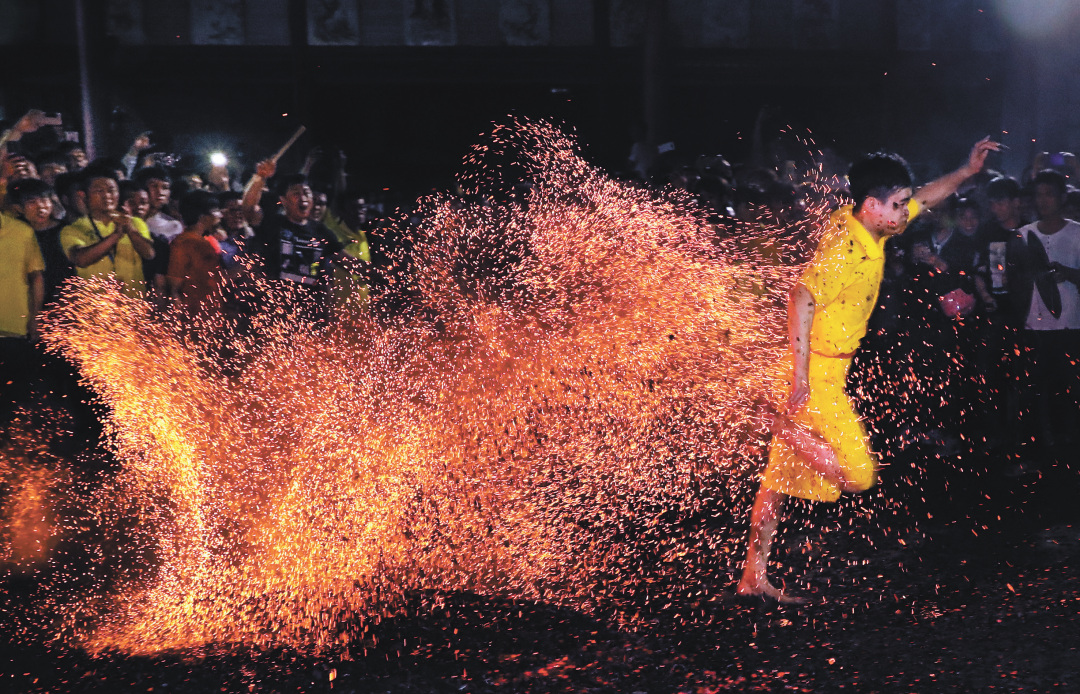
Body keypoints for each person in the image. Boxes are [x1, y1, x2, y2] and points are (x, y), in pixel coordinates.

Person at [736, 138, 999, 603]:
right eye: (898, 205)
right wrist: (801, 379)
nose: (905, 212)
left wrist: (966, 171)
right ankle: (771, 422)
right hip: (816, 376)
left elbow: (925, 198)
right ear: (873, 205)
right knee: (858, 476)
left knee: (776, 484)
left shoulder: (865, 222)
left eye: (903, 204)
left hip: (809, 369)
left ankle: (752, 576)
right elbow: (800, 297)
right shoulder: (848, 249)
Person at [1008, 169, 1080, 452]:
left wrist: (1068, 273)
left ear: (1062, 197)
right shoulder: (1024, 234)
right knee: (1034, 390)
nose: (1043, 200)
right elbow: (1012, 278)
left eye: (1049, 194)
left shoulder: (1076, 233)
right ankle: (1036, 448)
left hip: (1070, 325)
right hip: (1034, 325)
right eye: (1039, 194)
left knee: (1067, 390)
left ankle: (1067, 447)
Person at [60, 167, 156, 297]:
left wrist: (129, 228)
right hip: (95, 304)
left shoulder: (135, 223)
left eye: (112, 190)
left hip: (132, 303)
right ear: (83, 195)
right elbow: (81, 259)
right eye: (99, 191)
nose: (107, 196)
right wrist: (115, 236)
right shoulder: (73, 229)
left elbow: (149, 254)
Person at [167, 190, 223, 314]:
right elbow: (174, 287)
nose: (221, 215)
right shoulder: (184, 243)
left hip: (211, 312)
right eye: (216, 211)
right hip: (194, 314)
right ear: (202, 217)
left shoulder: (208, 241)